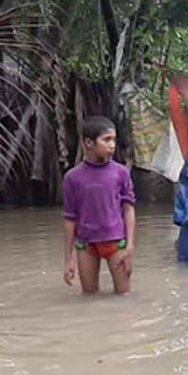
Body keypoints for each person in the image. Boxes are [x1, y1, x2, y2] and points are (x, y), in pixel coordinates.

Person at [62, 116, 136, 295]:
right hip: (86, 245)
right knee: (89, 297)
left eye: (113, 139)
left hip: (116, 241)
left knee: (124, 295)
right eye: (106, 140)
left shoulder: (121, 172)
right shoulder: (72, 177)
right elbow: (70, 219)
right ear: (88, 142)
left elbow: (128, 209)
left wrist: (130, 246)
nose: (112, 145)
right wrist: (68, 259)